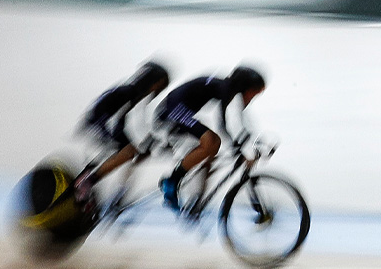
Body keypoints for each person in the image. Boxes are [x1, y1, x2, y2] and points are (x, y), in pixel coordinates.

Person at [156, 64, 266, 213]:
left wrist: (250, 140)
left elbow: (239, 122)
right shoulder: (225, 89)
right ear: (244, 87)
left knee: (214, 145)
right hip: (171, 110)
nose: (252, 97)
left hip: (180, 110)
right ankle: (172, 180)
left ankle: (197, 198)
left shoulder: (229, 89)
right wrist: (238, 148)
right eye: (253, 93)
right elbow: (223, 124)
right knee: (209, 141)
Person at [73, 61, 170, 205]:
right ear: (154, 82)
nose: (158, 91)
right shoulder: (132, 92)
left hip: (101, 121)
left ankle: (90, 180)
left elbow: (124, 119)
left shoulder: (133, 90)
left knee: (131, 150)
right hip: (101, 122)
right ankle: (87, 182)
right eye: (160, 86)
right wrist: (149, 140)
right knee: (129, 151)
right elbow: (124, 119)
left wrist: (147, 140)